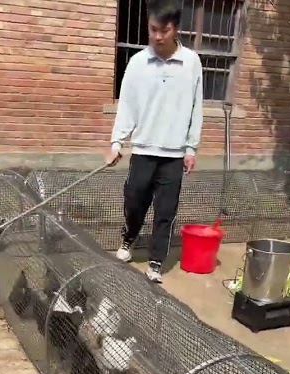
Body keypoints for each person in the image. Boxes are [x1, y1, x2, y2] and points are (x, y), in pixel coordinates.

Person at [106, 1, 203, 283]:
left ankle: (157, 262)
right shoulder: (138, 63)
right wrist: (117, 143)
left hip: (173, 154)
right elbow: (127, 106)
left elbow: (196, 106)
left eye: (164, 30)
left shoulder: (191, 62)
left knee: (165, 212)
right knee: (134, 202)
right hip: (143, 149)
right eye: (153, 29)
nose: (158, 36)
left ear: (176, 29)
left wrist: (191, 147)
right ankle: (128, 240)